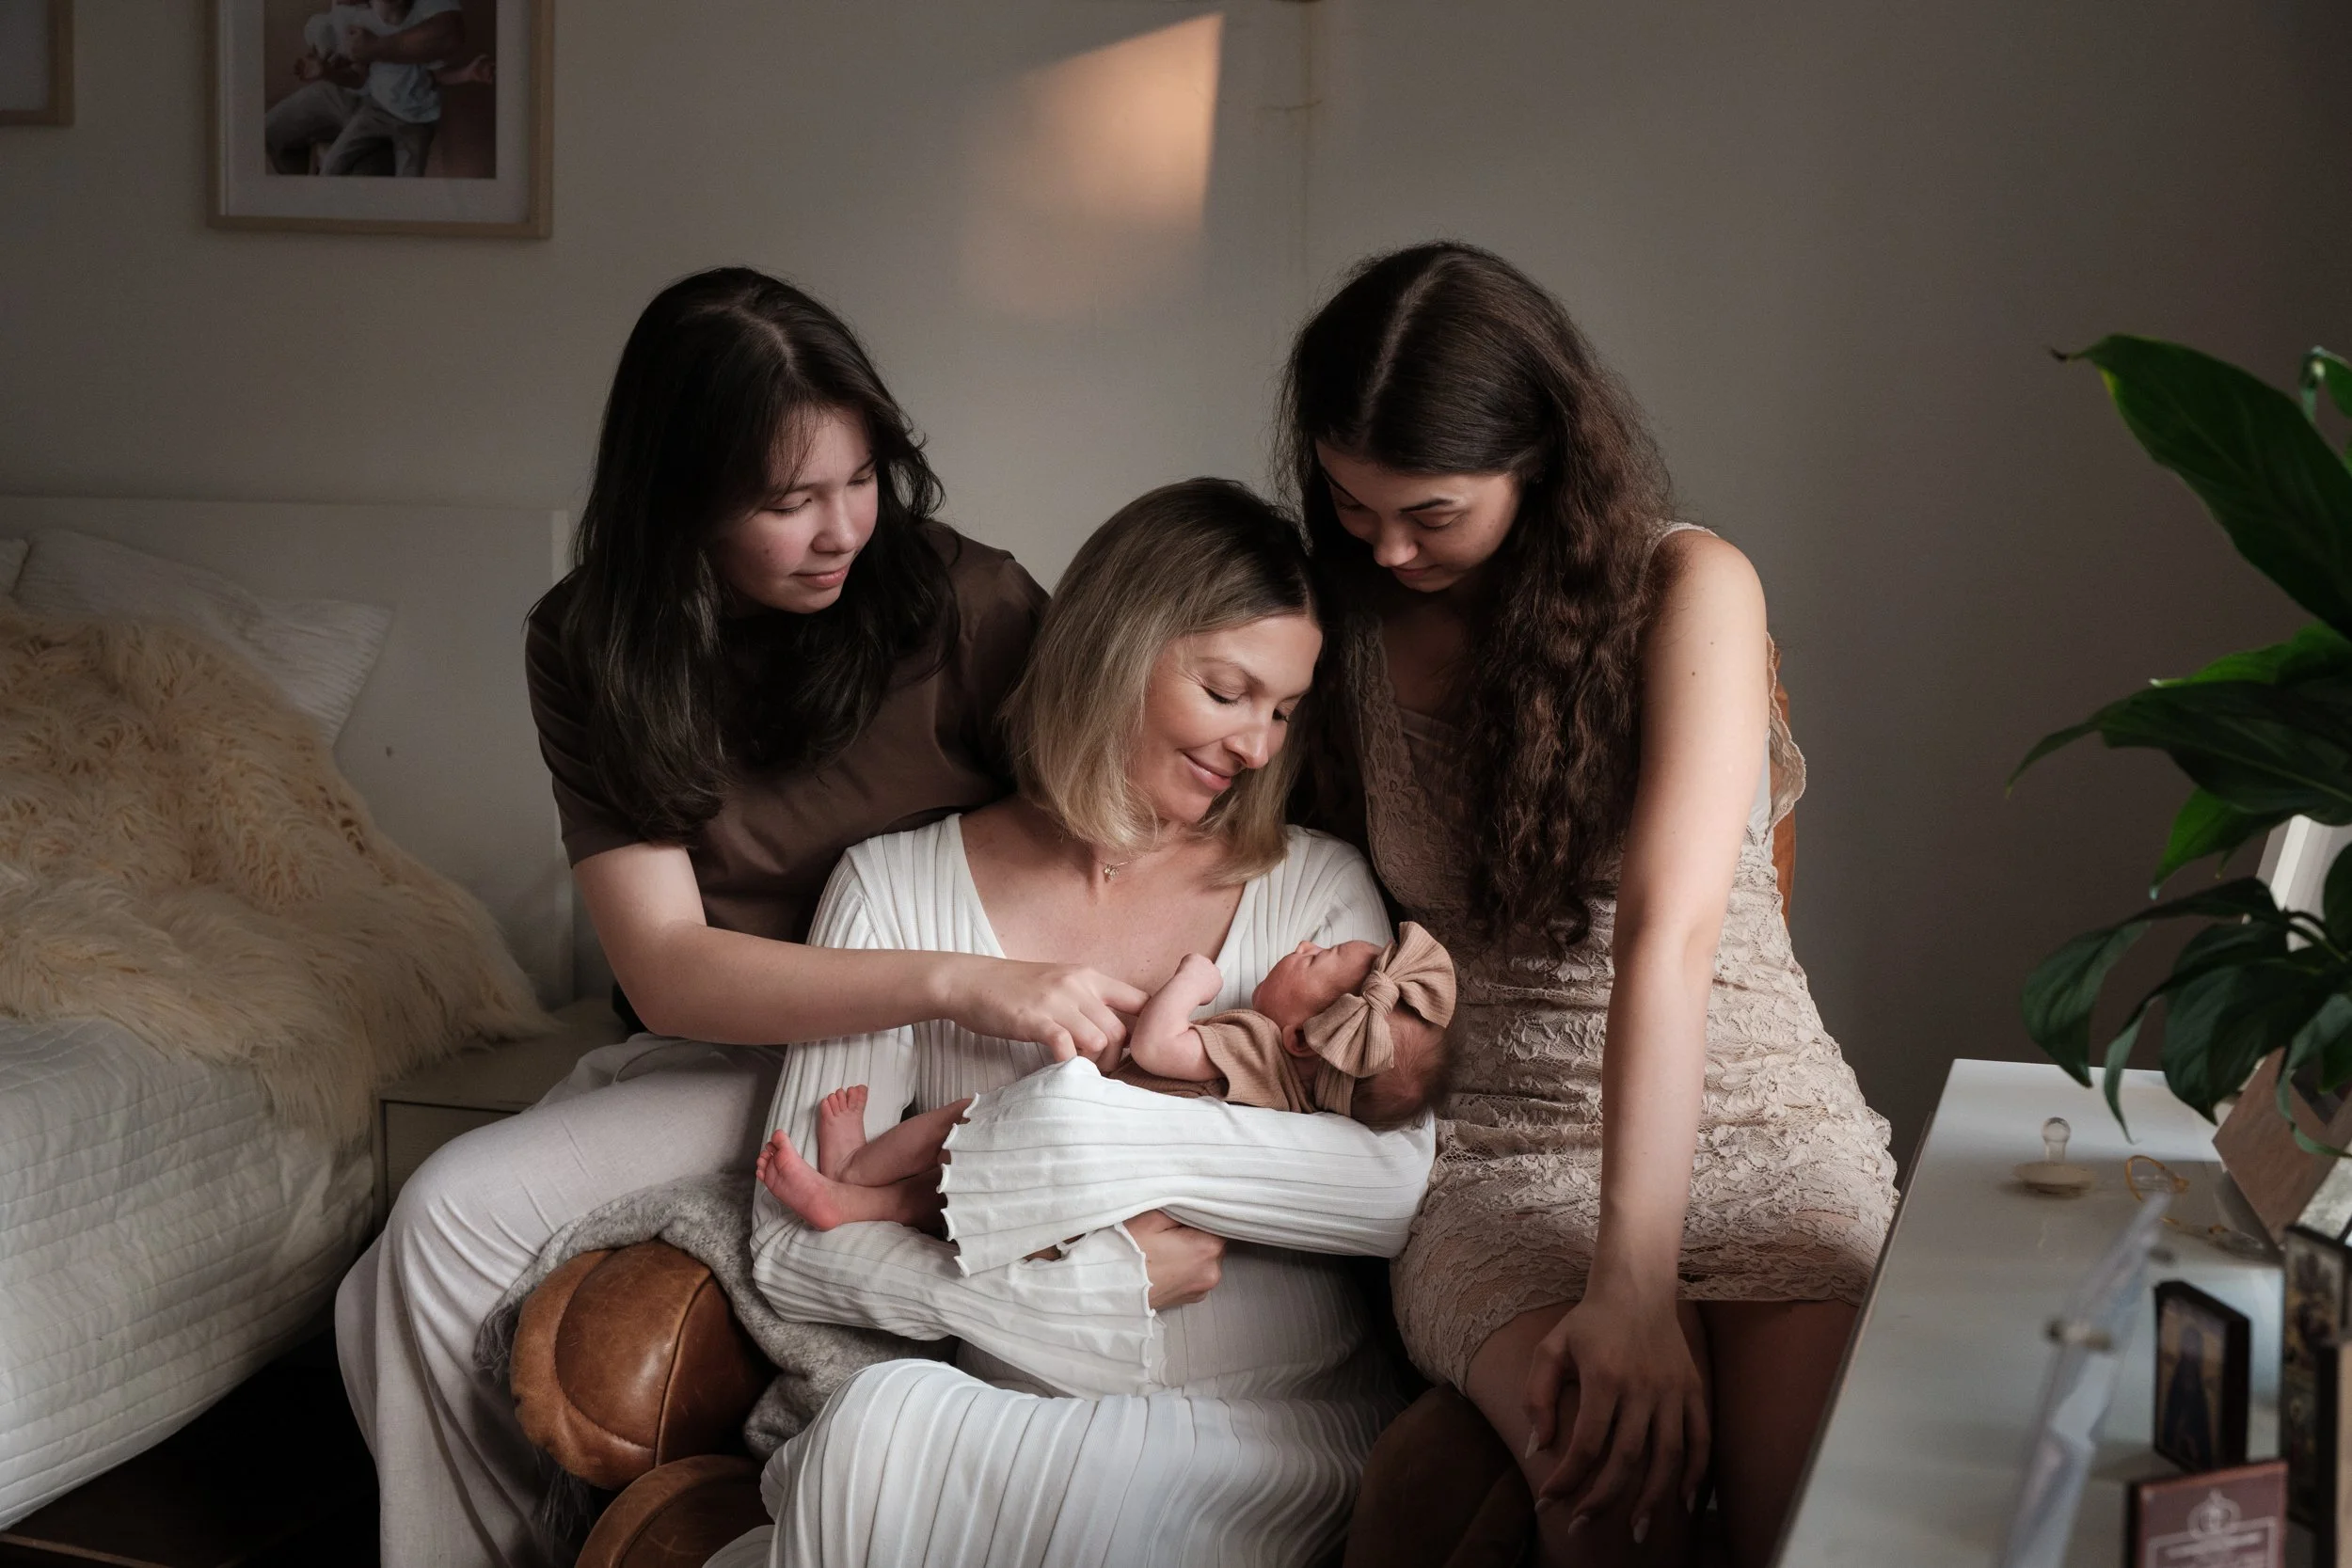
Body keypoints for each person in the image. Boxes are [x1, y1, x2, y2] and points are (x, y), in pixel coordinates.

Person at [335, 268, 1184, 1568]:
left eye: (862, 478)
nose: (841, 528)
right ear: (680, 497)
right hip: (724, 1047)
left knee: (437, 1228)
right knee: (394, 1280)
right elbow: (671, 967)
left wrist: (1001, 1003)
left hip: (937, 1066)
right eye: (788, 501)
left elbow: (1118, 847)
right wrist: (956, 975)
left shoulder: (969, 605)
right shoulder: (590, 640)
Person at [1282, 243, 1899, 1567]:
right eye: (1350, 502)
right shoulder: (1343, 619)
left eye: (1431, 512)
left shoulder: (1690, 586)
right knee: (1606, 1498)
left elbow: (1668, 941)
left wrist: (1633, 1284)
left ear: (1539, 461)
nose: (1387, 546)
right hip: (1502, 1154)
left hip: (1756, 1111)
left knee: (1815, 1533)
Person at [715, 479, 1438, 1568]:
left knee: (1106, 1502)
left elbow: (1387, 1187)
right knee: (867, 1437)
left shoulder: (1311, 885)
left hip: (1269, 1427)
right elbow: (791, 1243)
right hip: (1014, 1413)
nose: (1256, 745)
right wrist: (1052, 1300)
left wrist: (1081, 1132)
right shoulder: (892, 889)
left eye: (1284, 711)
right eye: (1228, 691)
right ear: (1114, 649)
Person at [755, 923, 1454, 1230]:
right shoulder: (1291, 1106)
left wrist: (1193, 980)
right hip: (1088, 1192)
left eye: (1317, 956)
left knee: (954, 1124)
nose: (1301, 944)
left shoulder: (1257, 1046)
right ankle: (852, 1202)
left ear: (1301, 1037)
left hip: (1059, 1136)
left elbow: (1158, 1045)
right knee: (940, 1199)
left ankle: (851, 1171)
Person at [266, 0, 487, 178]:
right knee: (275, 137)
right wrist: (326, 70)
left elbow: (448, 37)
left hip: (410, 120)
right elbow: (356, 76)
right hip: (367, 104)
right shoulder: (365, 24)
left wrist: (376, 47)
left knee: (388, 182)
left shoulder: (414, 24)